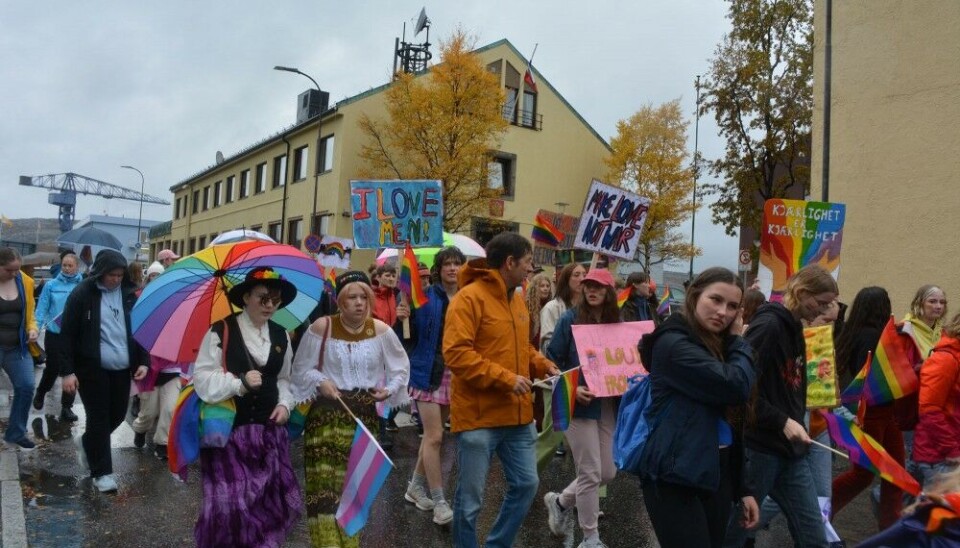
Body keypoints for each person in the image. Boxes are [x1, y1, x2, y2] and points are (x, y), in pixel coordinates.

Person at [443, 232, 560, 548]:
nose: (530, 269)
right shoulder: (469, 298)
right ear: (510, 262)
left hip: (517, 416)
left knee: (526, 484)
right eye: (528, 262)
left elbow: (522, 347)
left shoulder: (517, 298)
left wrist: (542, 364)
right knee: (470, 502)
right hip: (478, 418)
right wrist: (506, 379)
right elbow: (456, 354)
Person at [634, 267, 757, 547]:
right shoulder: (673, 343)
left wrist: (743, 488)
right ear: (695, 296)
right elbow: (736, 386)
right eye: (716, 299)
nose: (723, 312)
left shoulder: (718, 344)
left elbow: (731, 422)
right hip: (675, 476)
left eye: (732, 306)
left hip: (716, 471)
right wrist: (739, 341)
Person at [290, 270, 410, 547]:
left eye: (364, 297)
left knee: (354, 491)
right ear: (340, 301)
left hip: (364, 419)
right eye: (352, 297)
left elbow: (400, 368)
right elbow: (301, 370)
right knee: (326, 488)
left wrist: (389, 390)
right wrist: (321, 381)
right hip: (326, 418)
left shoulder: (381, 331)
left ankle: (350, 543)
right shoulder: (321, 327)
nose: (359, 303)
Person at [723, 264, 838, 548]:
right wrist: (783, 422)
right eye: (821, 302)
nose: (824, 310)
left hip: (790, 453)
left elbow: (791, 387)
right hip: (760, 448)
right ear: (802, 293)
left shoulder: (797, 328)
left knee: (814, 536)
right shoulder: (770, 325)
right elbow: (740, 386)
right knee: (735, 532)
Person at [191, 267, 302, 547]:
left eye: (275, 300)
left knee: (266, 504)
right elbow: (202, 378)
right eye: (263, 298)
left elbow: (285, 379)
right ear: (246, 297)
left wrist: (285, 404)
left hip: (268, 433)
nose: (270, 305)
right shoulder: (221, 330)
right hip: (229, 435)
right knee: (231, 507)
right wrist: (238, 383)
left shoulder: (281, 335)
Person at [543, 268, 625, 548]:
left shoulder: (616, 323)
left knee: (608, 472)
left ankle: (561, 502)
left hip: (606, 403)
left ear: (609, 292)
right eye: (588, 285)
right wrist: (572, 387)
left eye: (599, 287)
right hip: (577, 405)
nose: (592, 290)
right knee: (589, 472)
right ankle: (590, 538)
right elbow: (551, 361)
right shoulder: (570, 319)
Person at [59, 250, 150, 492]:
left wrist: (143, 361)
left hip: (122, 368)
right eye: (112, 275)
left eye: (120, 275)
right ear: (100, 272)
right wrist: (67, 372)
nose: (116, 279)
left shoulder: (129, 294)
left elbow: (139, 330)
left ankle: (87, 442)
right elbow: (67, 334)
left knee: (118, 415)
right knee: (98, 418)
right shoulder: (82, 294)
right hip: (91, 368)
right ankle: (102, 474)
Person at [830, 287, 906, 530]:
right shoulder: (873, 337)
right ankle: (819, 511)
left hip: (878, 413)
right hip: (874, 413)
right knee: (866, 474)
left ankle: (890, 527)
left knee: (893, 473)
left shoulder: (855, 333)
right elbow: (870, 376)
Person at [403, 247, 465, 525]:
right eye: (447, 264)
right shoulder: (425, 297)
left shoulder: (467, 297)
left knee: (432, 438)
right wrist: (403, 316)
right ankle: (439, 501)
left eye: (457, 263)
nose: (453, 268)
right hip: (427, 372)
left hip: (454, 373)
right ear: (439, 269)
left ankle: (415, 487)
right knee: (435, 436)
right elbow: (408, 336)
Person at [539, 262, 585, 459]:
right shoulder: (552, 307)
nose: (582, 278)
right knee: (552, 434)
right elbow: (547, 344)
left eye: (584, 274)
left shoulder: (589, 309)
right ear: (566, 279)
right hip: (557, 379)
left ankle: (589, 481)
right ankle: (528, 474)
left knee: (585, 441)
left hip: (583, 382)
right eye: (576, 274)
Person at [33, 250, 82, 422]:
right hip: (55, 333)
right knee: (53, 367)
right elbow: (42, 308)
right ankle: (41, 391)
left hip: (75, 335)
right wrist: (36, 327)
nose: (67, 268)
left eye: (70, 265)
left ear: (77, 267)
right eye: (64, 265)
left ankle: (66, 407)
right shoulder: (51, 285)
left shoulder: (83, 285)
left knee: (72, 370)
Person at [912, 312, 960, 488]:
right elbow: (929, 410)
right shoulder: (946, 359)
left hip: (948, 450)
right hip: (940, 455)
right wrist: (951, 449)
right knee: (941, 504)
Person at [0, 247, 40, 450]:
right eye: (9, 270)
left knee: (26, 385)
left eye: (17, 269)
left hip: (17, 346)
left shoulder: (25, 281)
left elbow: (30, 314)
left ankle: (16, 432)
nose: (14, 273)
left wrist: (33, 328)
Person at [526, 272, 554, 431]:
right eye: (541, 286)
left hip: (544, 355)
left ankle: (541, 426)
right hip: (530, 353)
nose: (545, 289)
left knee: (543, 394)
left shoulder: (552, 307)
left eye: (547, 286)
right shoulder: (528, 307)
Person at [902, 285, 948, 360]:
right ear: (919, 303)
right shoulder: (905, 330)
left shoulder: (945, 331)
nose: (939, 306)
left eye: (942, 302)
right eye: (932, 301)